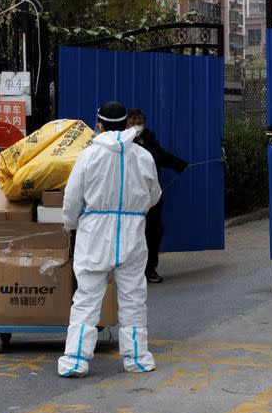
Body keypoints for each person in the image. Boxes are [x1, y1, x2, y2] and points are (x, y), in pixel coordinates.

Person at [58, 101, 162, 377]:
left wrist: (69, 224)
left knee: (87, 298)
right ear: (127, 124)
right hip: (131, 233)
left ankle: (75, 361)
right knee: (133, 297)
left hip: (95, 232)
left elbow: (71, 198)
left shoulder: (88, 155)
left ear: (99, 125)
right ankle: (137, 359)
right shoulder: (143, 156)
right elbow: (154, 195)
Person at [126, 108, 188, 283]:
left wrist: (179, 164)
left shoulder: (150, 137)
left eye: (139, 121)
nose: (136, 125)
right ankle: (131, 272)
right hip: (132, 196)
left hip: (152, 195)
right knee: (133, 233)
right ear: (126, 123)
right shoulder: (122, 141)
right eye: (132, 121)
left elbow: (159, 156)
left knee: (154, 231)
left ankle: (150, 268)